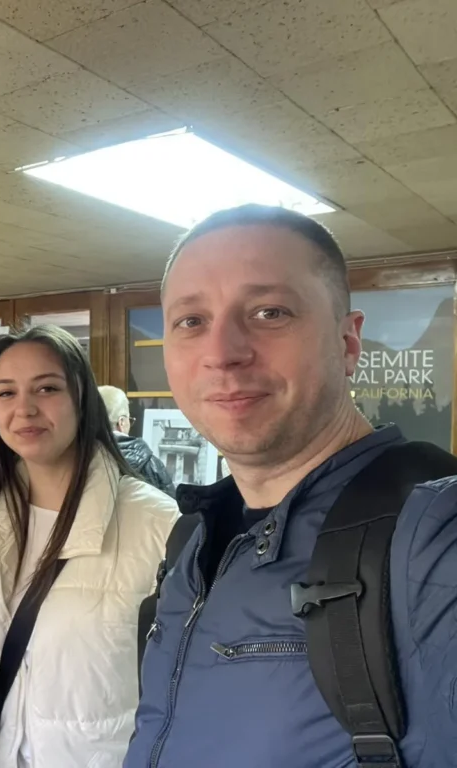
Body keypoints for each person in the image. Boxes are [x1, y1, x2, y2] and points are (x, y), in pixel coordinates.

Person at [125, 204, 457, 768]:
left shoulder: (430, 535)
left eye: (269, 312)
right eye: (191, 321)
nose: (222, 353)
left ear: (347, 343)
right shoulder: (193, 543)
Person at [0, 325, 179, 767]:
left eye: (46, 388)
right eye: (5, 393)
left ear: (81, 396)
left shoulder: (157, 522)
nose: (24, 408)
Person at [98, 384, 175, 495]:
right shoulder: (150, 464)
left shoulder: (78, 459)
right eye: (129, 420)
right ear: (121, 422)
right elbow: (171, 503)